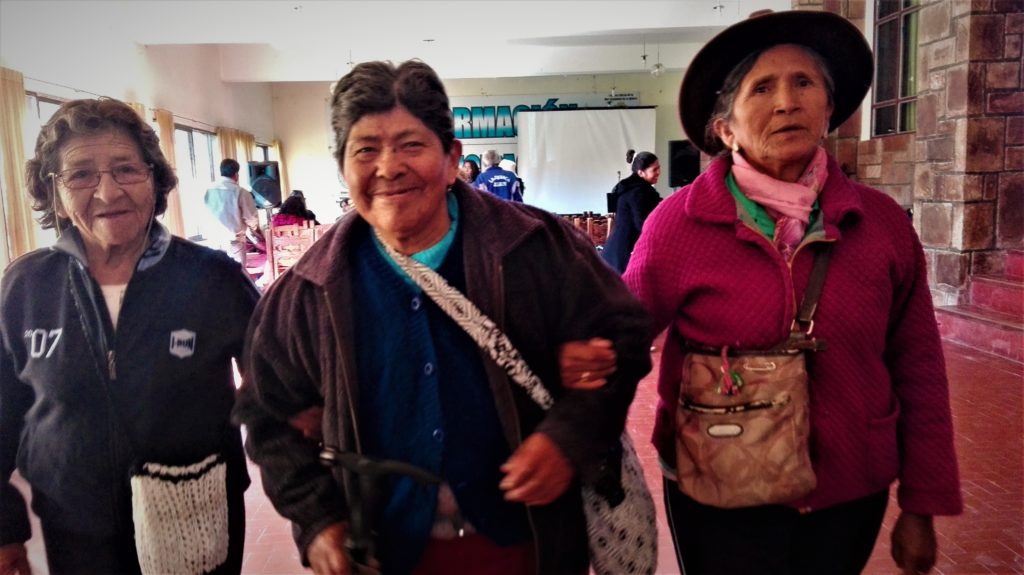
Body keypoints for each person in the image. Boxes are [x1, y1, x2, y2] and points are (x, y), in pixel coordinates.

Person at [234, 60, 652, 575]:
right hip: (386, 552)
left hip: (528, 544)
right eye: (366, 149)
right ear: (343, 166)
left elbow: (626, 334)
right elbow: (266, 417)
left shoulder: (535, 247)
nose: (388, 167)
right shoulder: (308, 291)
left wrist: (567, 435)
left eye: (411, 144)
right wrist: (318, 518)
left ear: (452, 158)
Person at [620, 10, 962, 575]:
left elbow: (918, 363)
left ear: (829, 108)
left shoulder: (880, 224)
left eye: (804, 83)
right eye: (762, 87)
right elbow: (621, 337)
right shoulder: (677, 225)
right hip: (715, 484)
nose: (786, 102)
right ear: (725, 129)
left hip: (848, 491)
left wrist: (922, 503)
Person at [0, 98, 256, 574]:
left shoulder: (213, 278)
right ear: (54, 194)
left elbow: (276, 387)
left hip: (198, 518)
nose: (107, 191)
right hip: (75, 529)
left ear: (155, 180)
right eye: (81, 175)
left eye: (126, 170)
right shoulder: (26, 286)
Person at [601, 151, 661, 273]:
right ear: (640, 173)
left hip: (615, 253)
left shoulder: (632, 189)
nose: (658, 173)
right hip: (623, 256)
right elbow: (644, 225)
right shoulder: (639, 192)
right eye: (654, 170)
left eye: (659, 168)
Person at [205, 158, 259, 267]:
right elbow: (251, 218)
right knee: (236, 278)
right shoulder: (240, 192)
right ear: (236, 174)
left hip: (212, 241)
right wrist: (256, 230)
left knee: (216, 275)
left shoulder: (208, 191)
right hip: (233, 242)